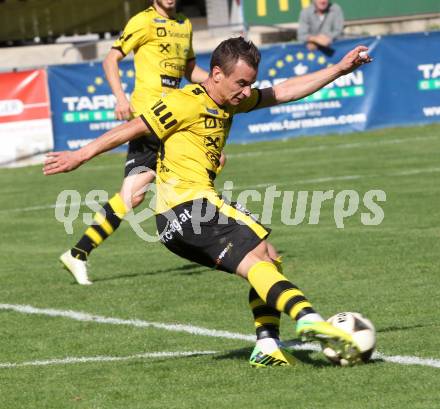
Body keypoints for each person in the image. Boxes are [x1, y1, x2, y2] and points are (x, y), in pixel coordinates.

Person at [44, 37, 371, 367]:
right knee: (260, 256)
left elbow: (284, 91)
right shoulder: (185, 102)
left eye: (250, 84)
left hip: (177, 220)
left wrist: (339, 69)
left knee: (269, 258)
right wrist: (80, 155)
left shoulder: (230, 101)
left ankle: (267, 346)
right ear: (216, 74)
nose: (246, 92)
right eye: (241, 83)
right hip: (190, 207)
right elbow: (133, 128)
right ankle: (308, 318)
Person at [59, 0, 212, 285]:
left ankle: (79, 252)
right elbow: (110, 59)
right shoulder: (143, 21)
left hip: (173, 117)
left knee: (135, 194)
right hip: (148, 118)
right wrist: (120, 97)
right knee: (198, 168)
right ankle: (217, 241)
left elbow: (190, 70)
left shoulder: (184, 24)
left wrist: (220, 81)